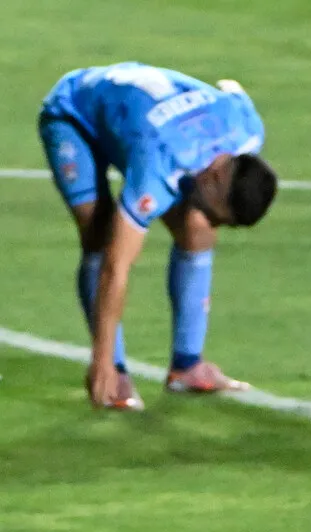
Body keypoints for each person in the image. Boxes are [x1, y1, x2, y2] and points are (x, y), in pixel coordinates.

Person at [38, 62, 278, 410]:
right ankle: (115, 373)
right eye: (219, 213)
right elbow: (115, 267)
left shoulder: (248, 130)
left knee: (198, 228)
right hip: (74, 113)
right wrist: (100, 360)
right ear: (212, 178)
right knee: (100, 233)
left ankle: (187, 365)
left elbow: (231, 88)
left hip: (141, 121)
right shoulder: (159, 165)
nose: (216, 223)